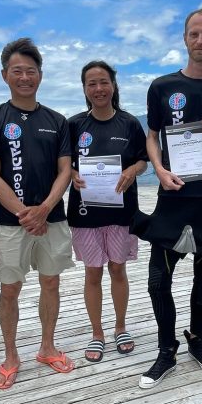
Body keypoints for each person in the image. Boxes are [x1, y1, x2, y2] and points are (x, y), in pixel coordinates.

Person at [131, 8, 202, 389]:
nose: (200, 40)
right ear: (184, 38)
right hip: (173, 196)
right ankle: (167, 350)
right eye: (194, 34)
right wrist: (159, 170)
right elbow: (152, 136)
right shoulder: (162, 87)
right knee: (157, 280)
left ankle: (197, 338)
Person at [0, 38, 75, 390]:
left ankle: (47, 347)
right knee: (10, 289)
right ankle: (10, 356)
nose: (24, 77)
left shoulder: (57, 121)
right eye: (17, 71)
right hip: (11, 222)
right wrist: (25, 214)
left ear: (40, 75)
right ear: (5, 75)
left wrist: (44, 209)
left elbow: (65, 170)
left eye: (30, 71)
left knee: (51, 282)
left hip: (53, 218)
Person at [67, 61, 147, 362]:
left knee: (117, 269)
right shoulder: (74, 125)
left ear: (113, 86)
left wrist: (132, 170)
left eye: (104, 82)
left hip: (121, 212)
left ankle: (121, 327)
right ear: (84, 89)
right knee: (93, 272)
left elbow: (143, 160)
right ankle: (97, 332)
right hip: (85, 213)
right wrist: (72, 174)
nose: (98, 89)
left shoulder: (130, 123)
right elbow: (63, 163)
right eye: (92, 83)